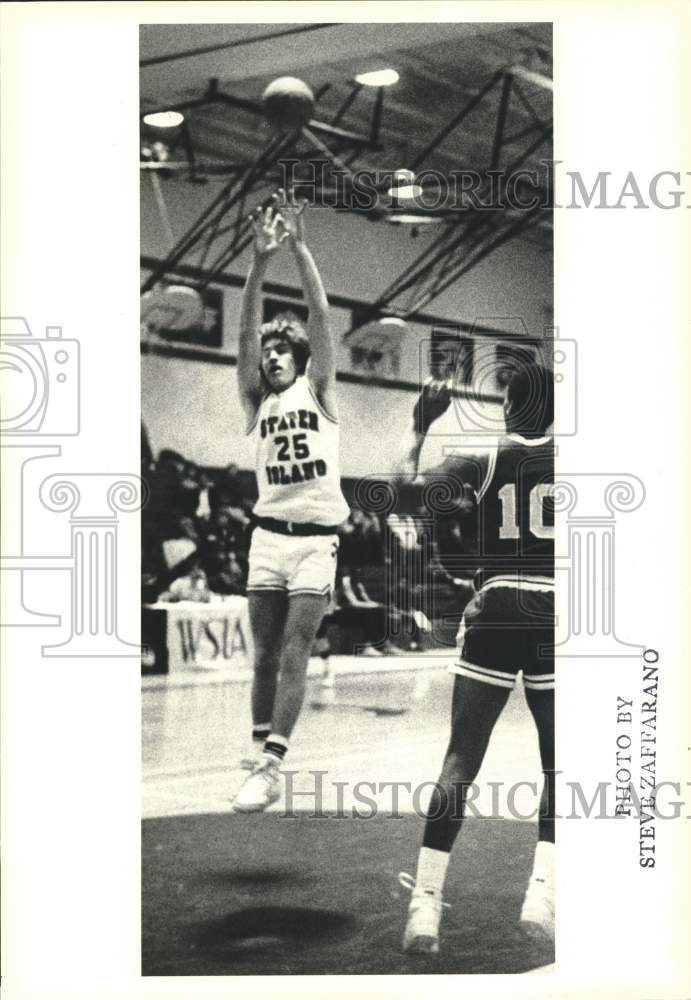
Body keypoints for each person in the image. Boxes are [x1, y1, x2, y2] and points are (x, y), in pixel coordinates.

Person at [398, 362, 555, 954]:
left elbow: (406, 495)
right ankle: (542, 893)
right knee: (558, 766)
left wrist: (420, 429)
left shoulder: (485, 456)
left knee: (460, 758)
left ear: (508, 407)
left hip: (495, 603)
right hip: (555, 610)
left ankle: (425, 907)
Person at [231, 191, 349, 812]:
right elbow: (245, 333)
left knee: (297, 650)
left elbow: (322, 315)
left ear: (299, 359)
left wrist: (300, 248)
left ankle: (275, 761)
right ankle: (257, 756)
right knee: (264, 655)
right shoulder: (258, 402)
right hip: (266, 538)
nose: (271, 354)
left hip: (314, 541)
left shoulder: (319, 390)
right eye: (267, 352)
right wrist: (256, 263)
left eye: (282, 349)